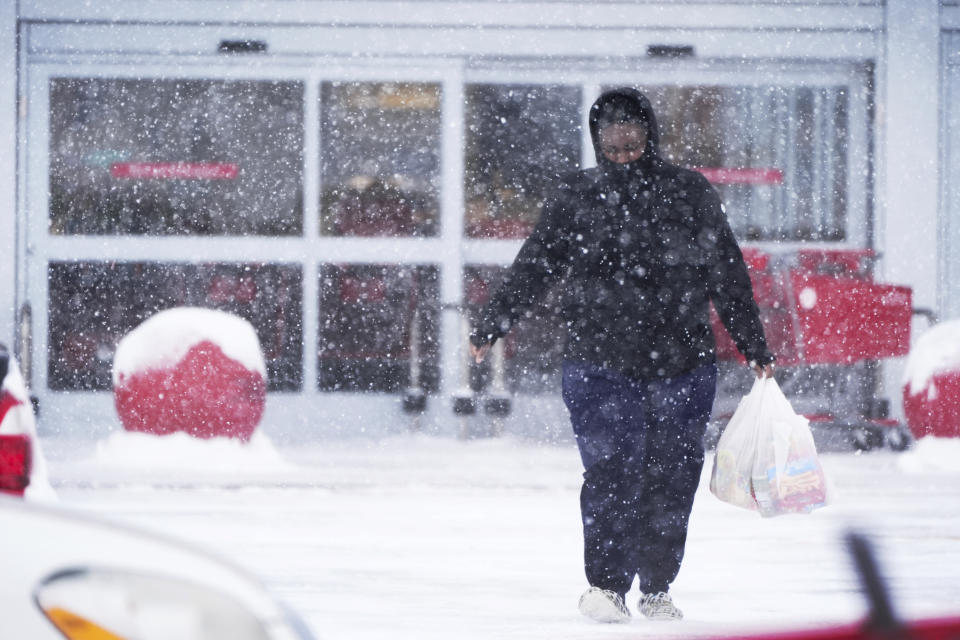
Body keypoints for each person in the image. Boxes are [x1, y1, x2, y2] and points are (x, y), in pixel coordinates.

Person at [469, 87, 775, 623]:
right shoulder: (576, 195)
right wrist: (493, 322)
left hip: (682, 364)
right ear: (595, 137)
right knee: (611, 472)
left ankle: (657, 588)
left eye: (632, 128)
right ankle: (606, 587)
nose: (622, 140)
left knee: (672, 474)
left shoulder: (688, 192)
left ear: (649, 131)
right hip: (598, 363)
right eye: (610, 131)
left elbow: (727, 272)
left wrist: (752, 344)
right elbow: (534, 266)